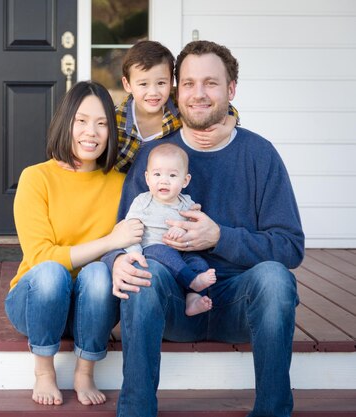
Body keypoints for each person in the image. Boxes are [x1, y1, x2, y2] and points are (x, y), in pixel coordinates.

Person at [103, 40, 305, 417]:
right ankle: (136, 411)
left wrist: (220, 237)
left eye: (211, 83)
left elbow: (290, 247)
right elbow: (126, 229)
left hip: (238, 304)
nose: (198, 94)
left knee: (276, 279)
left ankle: (272, 412)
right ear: (177, 92)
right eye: (189, 83)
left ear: (230, 91)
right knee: (141, 274)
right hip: (173, 305)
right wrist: (117, 260)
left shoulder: (259, 155)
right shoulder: (153, 157)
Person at [5, 81, 144, 407]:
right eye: (81, 121)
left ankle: (85, 371)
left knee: (98, 274)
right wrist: (109, 240)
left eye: (101, 123)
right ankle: (43, 371)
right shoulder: (36, 178)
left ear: (111, 131)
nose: (91, 132)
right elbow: (39, 257)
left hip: (92, 307)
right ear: (65, 124)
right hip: (36, 302)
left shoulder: (122, 185)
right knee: (52, 272)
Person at [115, 39, 239, 174]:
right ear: (127, 84)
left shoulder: (178, 103)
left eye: (161, 83)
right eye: (143, 84)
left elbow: (223, 108)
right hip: (125, 184)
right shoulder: (117, 118)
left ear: (172, 81)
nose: (153, 92)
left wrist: (227, 127)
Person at [123, 142, 216, 316]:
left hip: (182, 252)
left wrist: (183, 232)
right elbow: (130, 230)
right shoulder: (142, 202)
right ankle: (192, 281)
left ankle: (193, 299)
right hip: (153, 252)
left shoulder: (188, 204)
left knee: (199, 262)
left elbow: (196, 229)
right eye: (157, 174)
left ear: (185, 180)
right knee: (161, 251)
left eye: (172, 175)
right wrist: (134, 252)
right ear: (147, 178)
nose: (164, 180)